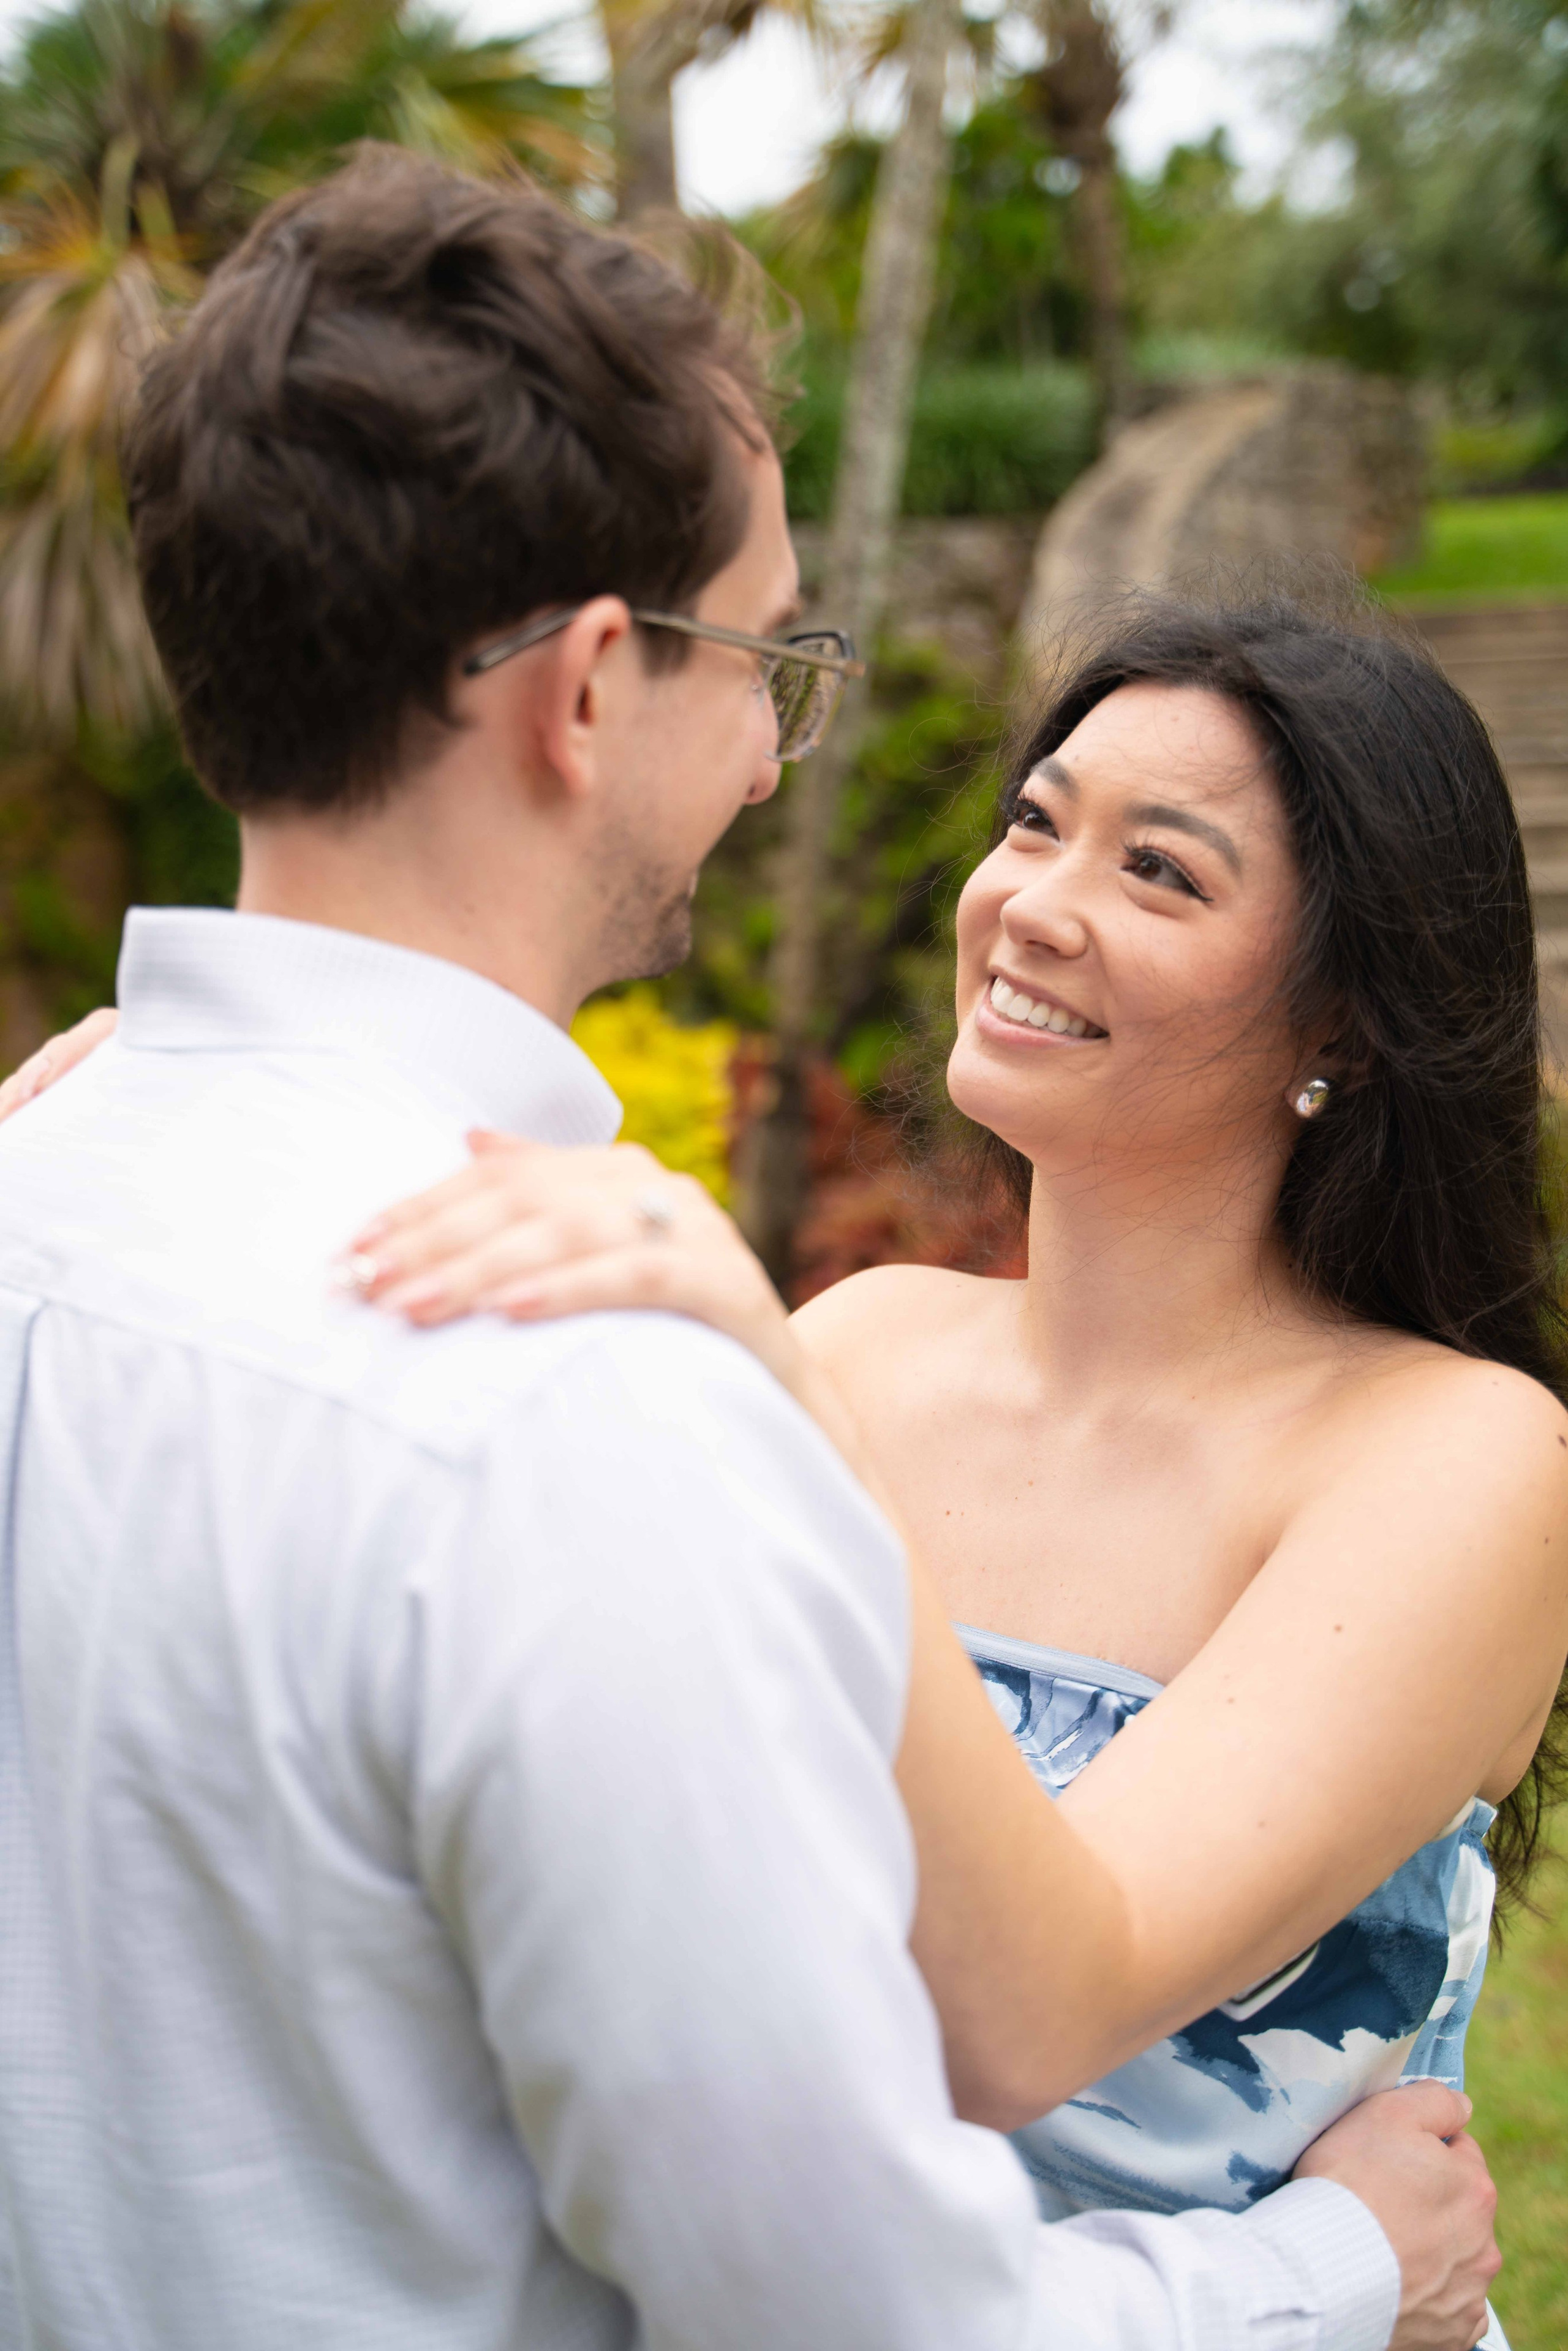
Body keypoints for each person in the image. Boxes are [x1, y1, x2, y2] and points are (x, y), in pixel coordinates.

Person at [0, 149, 1504, 2351]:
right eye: (767, 656)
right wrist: (1339, 2258)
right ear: (590, 690)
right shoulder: (603, 1386)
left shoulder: (70, 1208)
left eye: (1162, 871)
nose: (789, 757)